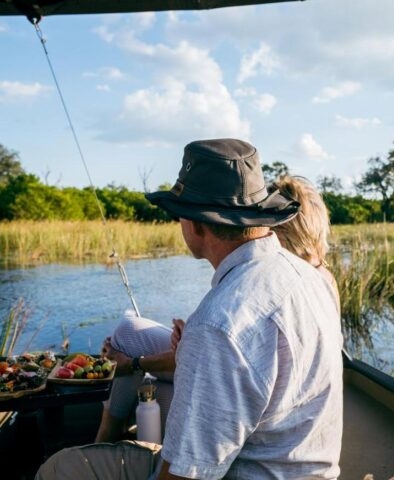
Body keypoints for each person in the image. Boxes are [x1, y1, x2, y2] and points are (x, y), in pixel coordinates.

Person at [38, 138, 343, 480]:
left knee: (59, 468)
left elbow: (186, 476)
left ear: (196, 224)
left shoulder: (218, 323)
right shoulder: (306, 275)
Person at [95, 174, 340, 444]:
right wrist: (188, 341)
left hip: (255, 419)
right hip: (257, 399)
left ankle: (104, 444)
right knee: (133, 342)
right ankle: (110, 441)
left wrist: (133, 364)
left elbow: (221, 360)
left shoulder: (271, 280)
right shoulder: (315, 279)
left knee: (142, 380)